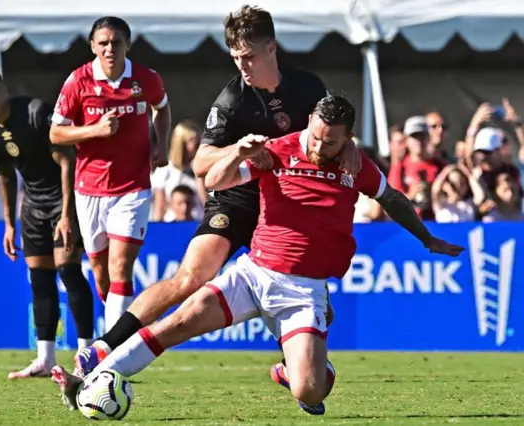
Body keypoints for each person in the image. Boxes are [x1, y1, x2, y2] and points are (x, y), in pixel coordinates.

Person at [53, 95, 464, 415]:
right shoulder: (278, 150)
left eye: (332, 141)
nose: (320, 146)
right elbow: (214, 181)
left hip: (303, 291)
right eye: (316, 136)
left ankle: (297, 371)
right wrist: (239, 152)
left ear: (348, 138)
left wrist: (426, 239)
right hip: (254, 274)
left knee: (310, 393)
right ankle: (93, 377)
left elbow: (390, 197)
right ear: (309, 125)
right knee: (180, 321)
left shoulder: (355, 165)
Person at [73, 4, 361, 379]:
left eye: (248, 56)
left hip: (287, 206)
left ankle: (298, 369)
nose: (242, 65)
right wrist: (238, 149)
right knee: (191, 277)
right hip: (238, 196)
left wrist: (350, 145)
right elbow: (202, 164)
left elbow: (332, 129)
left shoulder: (308, 88)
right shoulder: (232, 99)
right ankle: (105, 346)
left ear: (271, 48)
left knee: (305, 294)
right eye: (235, 57)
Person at [0, 67, 95, 379]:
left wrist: (67, 215)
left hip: (65, 198)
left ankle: (88, 353)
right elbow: (6, 175)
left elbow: (68, 162)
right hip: (33, 205)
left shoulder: (35, 112)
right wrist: (9, 224)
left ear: (2, 90)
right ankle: (45, 358)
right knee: (39, 277)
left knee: (69, 270)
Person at [49, 16, 171, 332]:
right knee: (101, 273)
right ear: (93, 46)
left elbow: (162, 107)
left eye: (116, 42)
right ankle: (117, 334)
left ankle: (110, 354)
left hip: (133, 187)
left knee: (121, 267)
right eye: (103, 43)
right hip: (89, 188)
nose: (110, 48)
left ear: (127, 45)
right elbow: (56, 134)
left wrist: (163, 144)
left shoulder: (146, 78)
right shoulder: (78, 81)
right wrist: (95, 130)